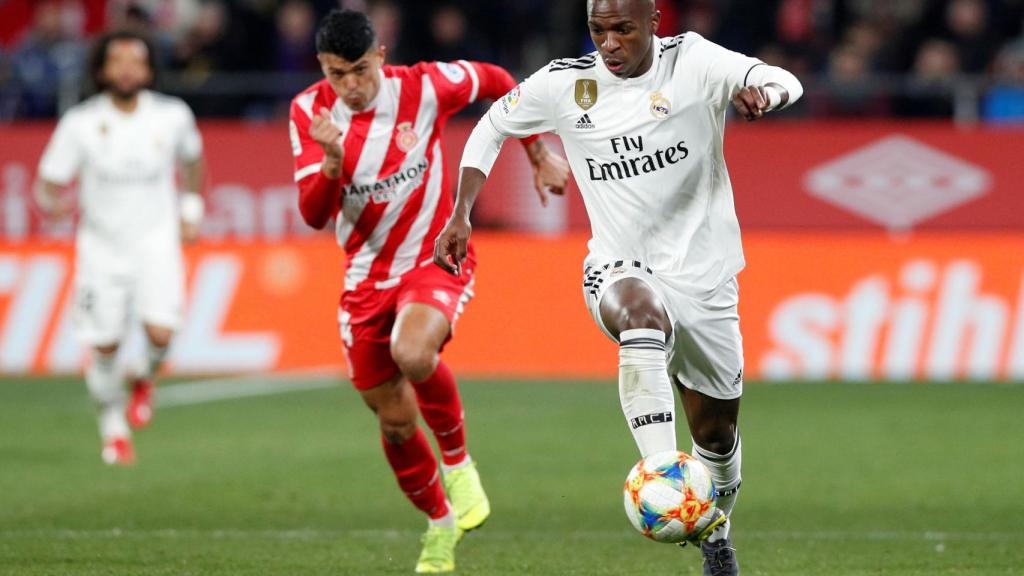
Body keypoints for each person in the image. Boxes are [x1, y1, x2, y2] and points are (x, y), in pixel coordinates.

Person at [434, 1, 802, 574]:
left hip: (705, 275)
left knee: (717, 435)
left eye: (623, 29)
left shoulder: (693, 60)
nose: (608, 43)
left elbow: (781, 78)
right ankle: (660, 473)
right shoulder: (566, 84)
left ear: (653, 22)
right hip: (618, 265)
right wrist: (461, 212)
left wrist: (767, 95)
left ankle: (717, 531)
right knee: (639, 314)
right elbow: (491, 125)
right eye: (598, 30)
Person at [288, 9, 568, 574]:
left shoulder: (423, 87)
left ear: (380, 56)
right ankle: (440, 525)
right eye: (337, 74)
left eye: (360, 70)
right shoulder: (308, 112)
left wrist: (536, 151)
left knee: (413, 352)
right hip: (365, 277)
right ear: (322, 67)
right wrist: (333, 160)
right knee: (394, 422)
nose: (350, 85)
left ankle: (460, 467)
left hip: (434, 257)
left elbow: (498, 81)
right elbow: (314, 215)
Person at [35, 30, 205, 465]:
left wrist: (191, 208)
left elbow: (192, 161)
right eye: (118, 61)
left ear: (148, 70)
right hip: (101, 249)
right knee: (105, 345)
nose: (127, 69)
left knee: (161, 334)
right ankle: (113, 429)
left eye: (136, 61)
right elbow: (48, 183)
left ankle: (144, 376)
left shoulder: (172, 115)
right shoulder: (80, 123)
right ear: (102, 69)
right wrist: (53, 205)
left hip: (156, 243)